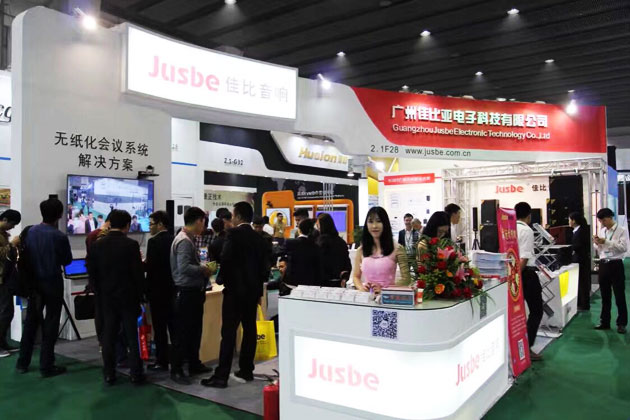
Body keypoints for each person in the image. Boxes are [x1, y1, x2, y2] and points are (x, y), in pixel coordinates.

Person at [202, 202, 271, 388]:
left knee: (229, 333)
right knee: (249, 330)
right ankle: (246, 370)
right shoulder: (259, 239)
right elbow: (265, 268)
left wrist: (221, 279)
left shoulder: (232, 235)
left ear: (238, 216)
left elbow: (226, 259)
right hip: (252, 293)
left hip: (234, 292)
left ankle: (221, 376)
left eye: (233, 215)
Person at [87, 210, 146, 385]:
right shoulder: (131, 245)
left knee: (108, 337)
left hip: (106, 299)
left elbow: (92, 274)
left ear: (110, 223)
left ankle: (109, 373)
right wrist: (141, 295)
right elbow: (137, 274)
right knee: (131, 336)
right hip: (128, 298)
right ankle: (136, 374)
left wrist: (99, 294)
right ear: (127, 225)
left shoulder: (97, 245)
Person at [16, 198, 73, 377]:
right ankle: (46, 365)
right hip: (52, 282)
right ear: (60, 214)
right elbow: (67, 260)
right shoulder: (59, 236)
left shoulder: (30, 231)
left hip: (33, 283)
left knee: (31, 322)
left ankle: (22, 362)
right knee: (51, 323)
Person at [169, 207, 212, 385]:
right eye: (203, 222)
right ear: (198, 221)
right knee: (183, 333)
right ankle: (177, 369)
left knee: (194, 330)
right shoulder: (184, 241)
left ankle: (194, 363)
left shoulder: (188, 238)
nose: (204, 226)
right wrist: (203, 269)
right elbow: (184, 267)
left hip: (193, 292)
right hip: (186, 292)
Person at [352, 207, 410, 293]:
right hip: (368, 298)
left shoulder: (398, 248)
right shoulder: (361, 250)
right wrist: (361, 288)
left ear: (385, 223)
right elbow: (356, 276)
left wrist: (385, 290)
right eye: (370, 221)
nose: (374, 226)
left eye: (378, 221)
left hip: (388, 298)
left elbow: (406, 279)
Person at [145, 210, 175, 372]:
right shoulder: (174, 239)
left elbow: (151, 268)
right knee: (174, 327)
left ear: (160, 224)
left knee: (160, 328)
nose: (149, 227)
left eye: (151, 224)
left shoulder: (154, 242)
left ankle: (162, 360)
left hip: (157, 291)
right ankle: (176, 360)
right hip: (172, 289)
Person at [515, 202, 543, 360]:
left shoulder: (510, 229)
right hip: (526, 274)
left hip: (514, 274)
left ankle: (517, 346)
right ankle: (527, 347)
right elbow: (524, 258)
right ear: (529, 215)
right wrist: (517, 276)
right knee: (537, 311)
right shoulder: (526, 230)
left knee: (516, 312)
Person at [593, 208, 627, 334]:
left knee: (619, 295)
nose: (602, 223)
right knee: (605, 295)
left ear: (609, 218)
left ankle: (621, 323)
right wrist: (597, 243)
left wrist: (606, 241)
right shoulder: (602, 231)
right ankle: (605, 322)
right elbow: (599, 248)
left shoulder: (622, 230)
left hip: (616, 264)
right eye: (600, 221)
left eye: (603, 220)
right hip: (604, 264)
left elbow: (623, 248)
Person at [0, 210, 21, 358]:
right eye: (12, 224)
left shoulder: (3, 234)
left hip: (5, 278)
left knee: (7, 312)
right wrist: (12, 245)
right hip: (1, 279)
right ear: (5, 219)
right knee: (5, 312)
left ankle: (3, 343)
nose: (12, 227)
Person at [284, 219, 324, 287]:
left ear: (299, 230)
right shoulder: (315, 246)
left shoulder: (290, 243)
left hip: (292, 281)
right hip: (309, 281)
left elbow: (280, 253)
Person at [316, 213, 351, 287]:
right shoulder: (341, 242)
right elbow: (347, 262)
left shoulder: (320, 242)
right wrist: (345, 277)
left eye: (318, 225)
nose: (317, 227)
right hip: (339, 281)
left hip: (323, 282)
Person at [569, 212, 591, 311]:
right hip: (580, 259)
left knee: (582, 283)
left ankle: (584, 304)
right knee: (580, 282)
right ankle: (580, 303)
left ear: (574, 221)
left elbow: (578, 246)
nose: (569, 222)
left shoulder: (580, 231)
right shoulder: (577, 231)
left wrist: (571, 249)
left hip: (581, 260)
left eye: (569, 220)